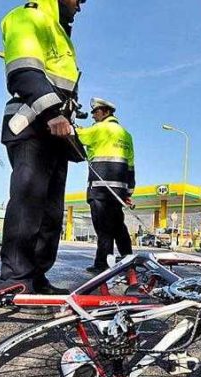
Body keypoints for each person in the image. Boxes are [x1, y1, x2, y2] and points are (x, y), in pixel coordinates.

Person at [0, 0, 87, 295]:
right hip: (34, 125)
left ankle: (36, 277)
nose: (80, 7)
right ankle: (15, 279)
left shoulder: (60, 33)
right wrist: (52, 113)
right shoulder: (27, 16)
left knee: (51, 213)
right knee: (29, 203)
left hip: (56, 132)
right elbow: (23, 71)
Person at [75, 98, 136, 273]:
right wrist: (128, 191)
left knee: (103, 229)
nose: (93, 116)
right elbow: (131, 165)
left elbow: (77, 135)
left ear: (105, 112)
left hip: (100, 188)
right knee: (118, 227)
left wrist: (72, 123)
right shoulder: (126, 135)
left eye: (95, 112)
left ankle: (102, 266)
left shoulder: (99, 128)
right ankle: (128, 262)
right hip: (118, 191)